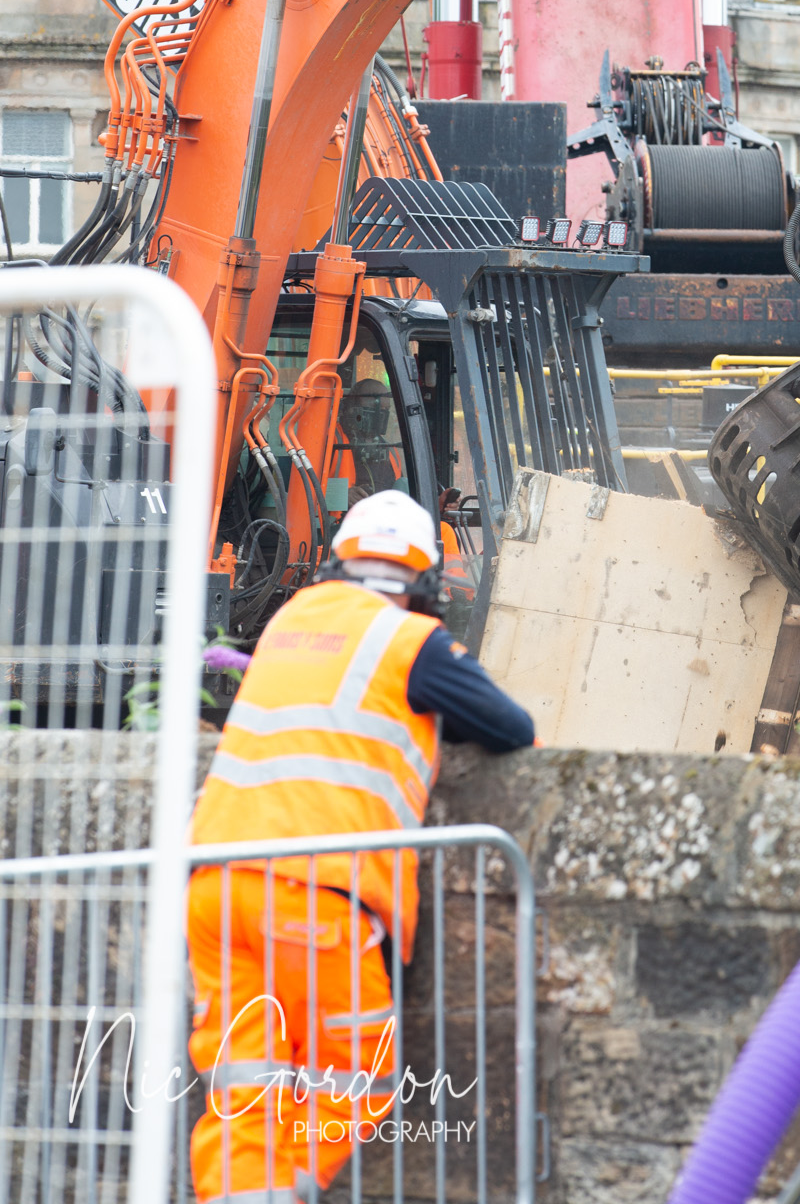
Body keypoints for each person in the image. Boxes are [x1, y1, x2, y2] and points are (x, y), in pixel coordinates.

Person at [186, 488, 534, 1203]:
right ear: (425, 581)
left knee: (241, 1078)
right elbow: (511, 728)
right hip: (316, 888)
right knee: (353, 1076)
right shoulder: (412, 642)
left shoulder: (290, 621)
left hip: (215, 881)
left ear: (340, 564)